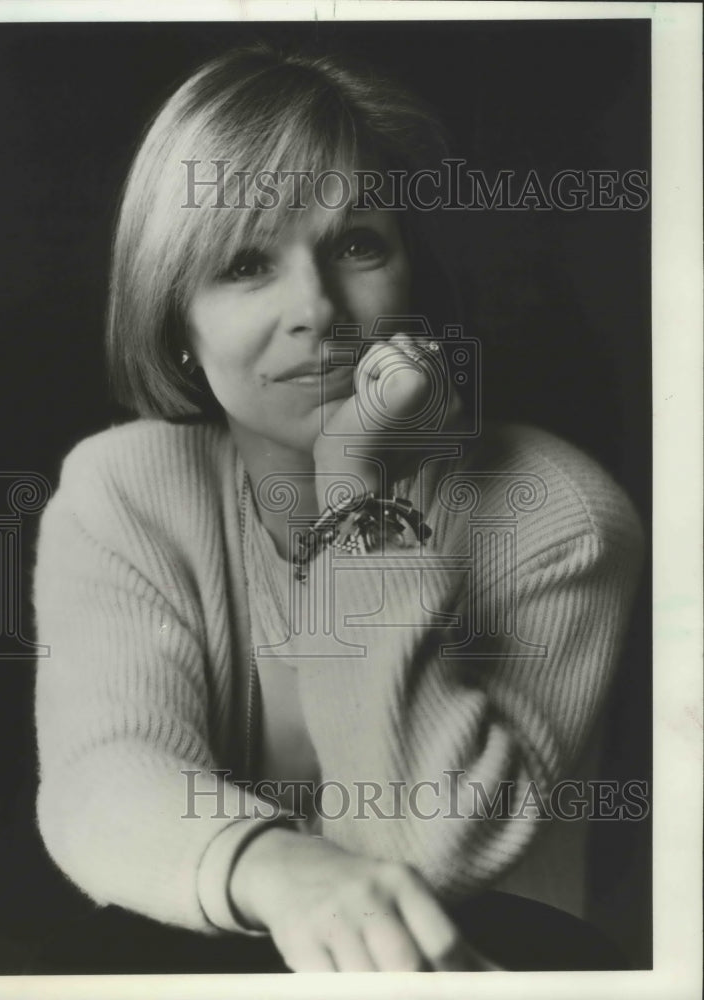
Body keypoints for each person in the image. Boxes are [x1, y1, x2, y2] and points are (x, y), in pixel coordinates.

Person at [32, 44, 644, 973]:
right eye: (245, 264)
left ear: (417, 280)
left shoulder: (556, 512)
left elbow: (422, 843)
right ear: (176, 323)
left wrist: (358, 487)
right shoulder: (126, 490)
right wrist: (280, 870)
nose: (316, 308)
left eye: (358, 244)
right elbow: (101, 778)